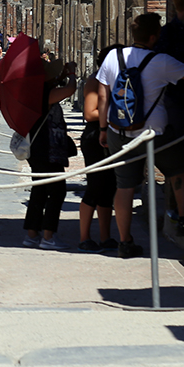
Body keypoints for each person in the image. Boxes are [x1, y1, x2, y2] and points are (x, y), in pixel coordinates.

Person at [97, 13, 184, 258]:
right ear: (153, 37)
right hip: (154, 134)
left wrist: (103, 129)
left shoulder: (113, 57)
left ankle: (125, 241)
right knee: (178, 171)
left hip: (119, 132)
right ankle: (183, 220)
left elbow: (103, 96)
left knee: (124, 186)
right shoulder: (161, 61)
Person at [21, 59, 78, 251]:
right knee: (57, 191)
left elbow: (56, 86)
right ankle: (48, 235)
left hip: (36, 149)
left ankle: (31, 234)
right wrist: (71, 74)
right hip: (48, 150)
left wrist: (60, 76)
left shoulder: (34, 91)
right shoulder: (45, 93)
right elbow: (70, 90)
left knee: (39, 191)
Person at [155, 0, 184, 235]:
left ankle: (183, 214)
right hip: (177, 104)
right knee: (180, 163)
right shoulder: (170, 34)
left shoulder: (169, 33)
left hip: (179, 103)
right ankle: (183, 216)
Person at [78, 45, 120, 252]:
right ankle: (84, 237)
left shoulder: (115, 80)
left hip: (111, 136)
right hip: (95, 137)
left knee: (108, 189)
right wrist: (117, 113)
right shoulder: (95, 80)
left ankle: (106, 237)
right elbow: (89, 113)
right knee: (95, 187)